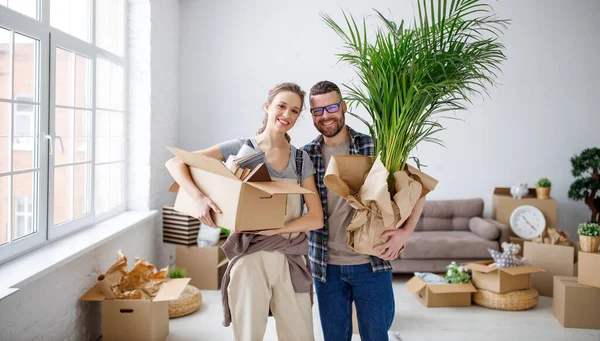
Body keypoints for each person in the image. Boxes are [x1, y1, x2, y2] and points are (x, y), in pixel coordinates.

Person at [165, 82, 323, 341]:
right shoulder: (241, 149)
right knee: (248, 335)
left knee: (301, 335)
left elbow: (316, 218)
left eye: (294, 111)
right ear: (268, 107)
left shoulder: (300, 159)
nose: (287, 115)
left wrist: (278, 229)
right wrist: (199, 198)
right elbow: (176, 162)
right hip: (249, 257)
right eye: (281, 106)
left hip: (291, 258)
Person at [302, 80, 426, 341]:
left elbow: (419, 188)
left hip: (372, 264)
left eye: (332, 107)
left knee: (376, 337)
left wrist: (406, 233)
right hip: (326, 268)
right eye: (317, 110)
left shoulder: (376, 146)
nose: (326, 115)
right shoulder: (306, 155)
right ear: (312, 115)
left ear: (344, 106)